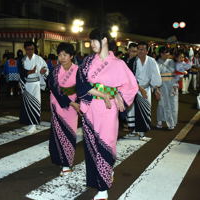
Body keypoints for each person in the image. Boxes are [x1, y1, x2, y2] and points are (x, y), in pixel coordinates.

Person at [76, 28, 138, 200]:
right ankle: (99, 178)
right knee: (92, 147)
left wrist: (120, 96)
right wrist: (103, 93)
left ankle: (103, 188)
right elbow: (81, 85)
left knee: (106, 144)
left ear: (104, 40)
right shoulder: (87, 61)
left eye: (94, 40)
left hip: (108, 110)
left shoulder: (118, 63)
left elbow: (131, 86)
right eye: (90, 41)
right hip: (90, 109)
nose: (91, 44)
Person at [48, 43, 80, 176]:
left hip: (73, 108)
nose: (62, 58)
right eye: (60, 55)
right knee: (57, 133)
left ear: (71, 56)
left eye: (65, 55)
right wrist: (71, 103)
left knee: (70, 134)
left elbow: (83, 89)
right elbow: (54, 88)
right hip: (57, 104)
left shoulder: (78, 70)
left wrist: (77, 103)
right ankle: (60, 160)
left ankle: (67, 163)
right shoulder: (55, 71)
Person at [125, 41, 162, 139]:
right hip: (134, 90)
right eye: (139, 49)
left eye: (142, 49)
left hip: (146, 89)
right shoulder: (132, 61)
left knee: (144, 111)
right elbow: (130, 77)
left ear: (147, 51)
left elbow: (155, 75)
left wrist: (156, 89)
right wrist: (139, 89)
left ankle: (142, 133)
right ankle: (133, 131)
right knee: (131, 111)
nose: (140, 51)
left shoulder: (152, 61)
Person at [19, 41, 49, 134]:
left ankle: (34, 124)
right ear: (25, 49)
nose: (30, 51)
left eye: (32, 49)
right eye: (28, 49)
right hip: (26, 84)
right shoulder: (22, 60)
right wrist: (29, 72)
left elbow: (45, 68)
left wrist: (44, 71)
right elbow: (21, 71)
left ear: (34, 49)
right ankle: (29, 123)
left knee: (35, 104)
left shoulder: (39, 59)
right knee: (27, 105)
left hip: (35, 84)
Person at [156, 47, 177, 130]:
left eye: (168, 53)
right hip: (161, 85)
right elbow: (155, 76)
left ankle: (169, 121)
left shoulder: (171, 62)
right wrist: (156, 88)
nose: (167, 54)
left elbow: (174, 74)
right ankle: (164, 121)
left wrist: (175, 85)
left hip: (171, 84)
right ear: (161, 54)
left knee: (171, 104)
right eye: (165, 53)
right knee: (162, 103)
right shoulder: (157, 63)